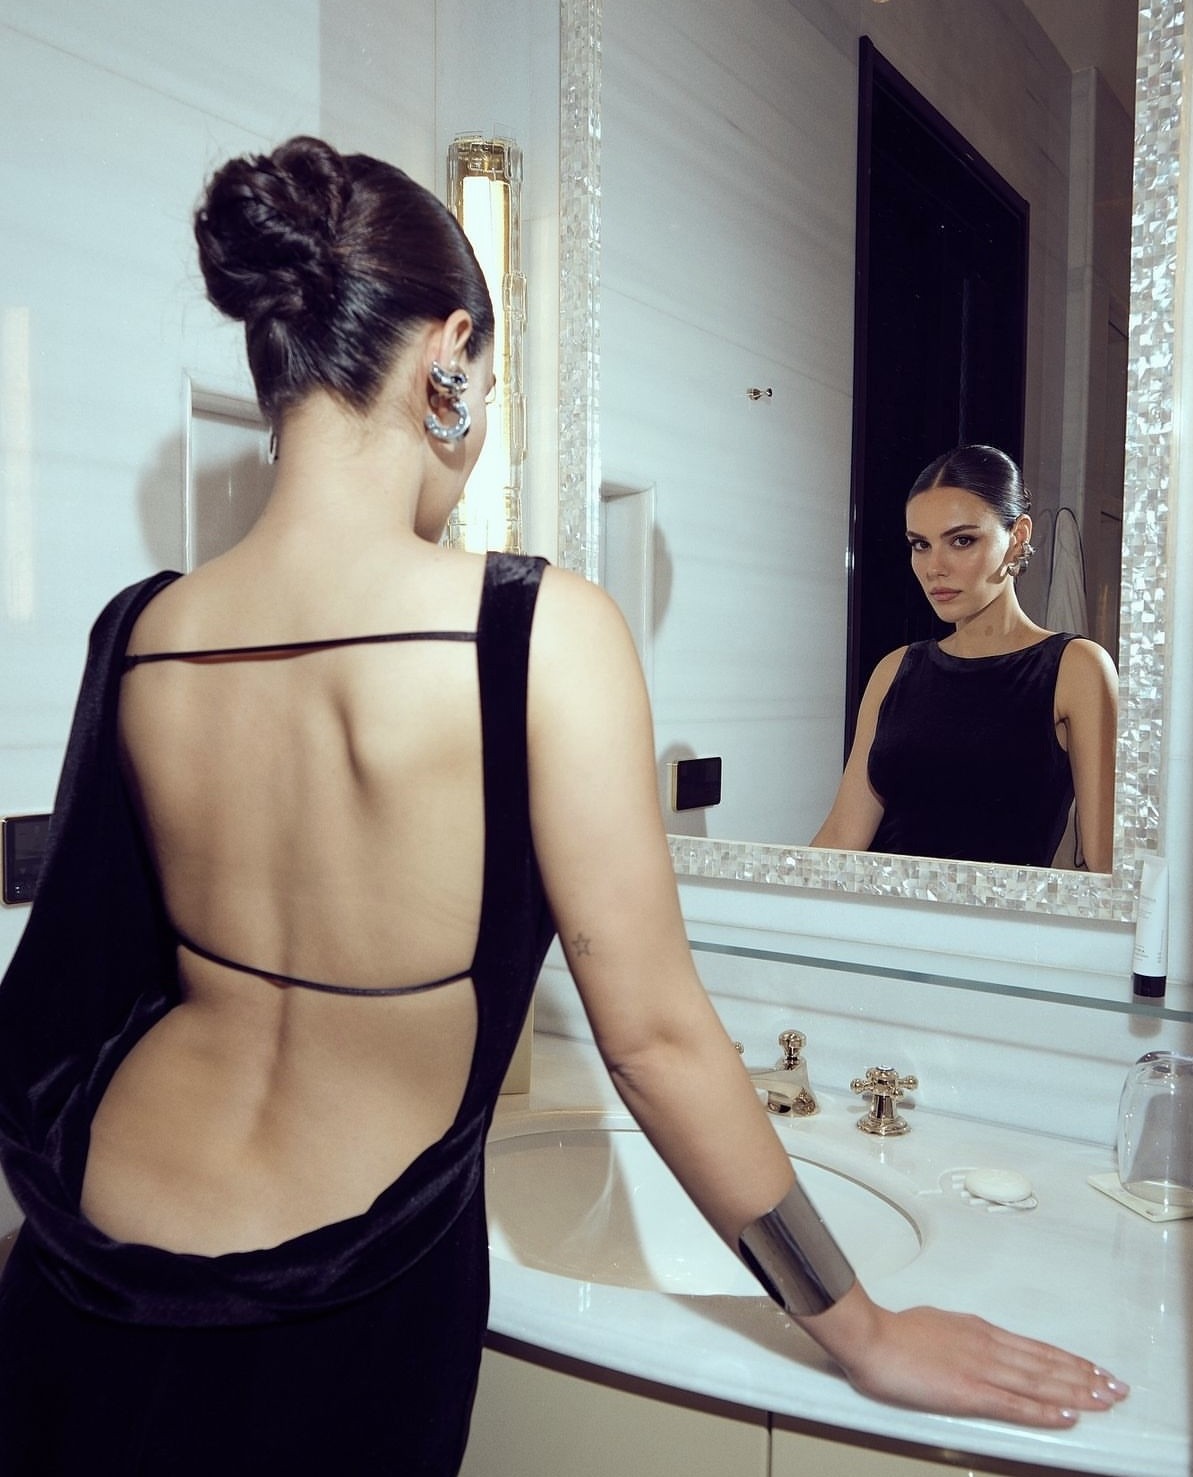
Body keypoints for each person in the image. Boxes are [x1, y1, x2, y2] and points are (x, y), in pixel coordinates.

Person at [0, 143, 1126, 1474]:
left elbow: (95, 967)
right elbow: (650, 1038)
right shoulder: (532, 628)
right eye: (487, 387)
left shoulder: (144, 629)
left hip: (80, 1266)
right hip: (333, 1314)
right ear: (449, 354)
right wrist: (860, 1326)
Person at [812, 445, 1118, 870]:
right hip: (879, 910)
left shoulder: (1075, 669)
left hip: (1000, 914)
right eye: (920, 544)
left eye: (961, 540)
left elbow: (1105, 867)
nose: (934, 567)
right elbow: (841, 836)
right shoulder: (895, 670)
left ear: (1018, 537)